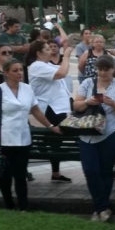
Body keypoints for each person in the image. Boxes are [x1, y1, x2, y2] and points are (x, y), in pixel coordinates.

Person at [0, 59, 61, 210]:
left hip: (23, 138)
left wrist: (51, 126)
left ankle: (23, 206)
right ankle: (9, 205)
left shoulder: (27, 89)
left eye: (20, 70)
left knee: (20, 174)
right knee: (5, 175)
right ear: (6, 73)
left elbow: (36, 110)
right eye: (15, 70)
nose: (19, 73)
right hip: (4, 139)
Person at [72, 56, 115, 222]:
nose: (103, 72)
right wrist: (88, 102)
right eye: (100, 69)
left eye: (107, 69)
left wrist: (113, 104)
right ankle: (102, 207)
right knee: (90, 170)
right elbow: (76, 105)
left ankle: (100, 209)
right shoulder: (88, 83)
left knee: (105, 170)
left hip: (113, 130)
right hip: (88, 131)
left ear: (113, 69)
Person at [26, 40, 74, 183]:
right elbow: (61, 73)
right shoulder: (37, 66)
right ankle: (37, 151)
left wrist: (65, 58)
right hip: (49, 108)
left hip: (58, 107)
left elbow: (61, 69)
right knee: (53, 139)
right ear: (39, 53)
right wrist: (65, 56)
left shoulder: (46, 65)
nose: (51, 51)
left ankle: (56, 172)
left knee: (56, 142)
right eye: (46, 49)